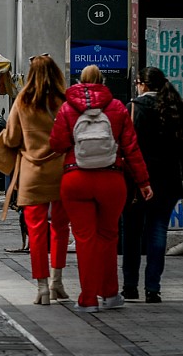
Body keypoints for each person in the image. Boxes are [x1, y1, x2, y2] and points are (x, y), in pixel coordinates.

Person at [50, 65, 152, 313]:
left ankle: (87, 299)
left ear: (80, 81)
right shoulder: (117, 107)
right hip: (111, 179)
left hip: (75, 179)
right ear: (102, 81)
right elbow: (131, 148)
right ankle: (109, 294)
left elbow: (58, 143)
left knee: (84, 239)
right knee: (108, 236)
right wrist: (143, 182)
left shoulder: (67, 107)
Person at [0, 55, 69, 304]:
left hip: (31, 173)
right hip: (60, 172)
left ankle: (42, 288)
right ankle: (57, 280)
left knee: (36, 231)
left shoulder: (22, 102)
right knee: (60, 228)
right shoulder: (63, 101)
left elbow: (11, 139)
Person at [123, 66, 183, 303]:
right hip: (168, 181)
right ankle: (153, 287)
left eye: (138, 83)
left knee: (132, 232)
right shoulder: (175, 107)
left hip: (137, 181)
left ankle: (130, 286)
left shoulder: (135, 107)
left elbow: (128, 145)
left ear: (143, 85)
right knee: (157, 231)